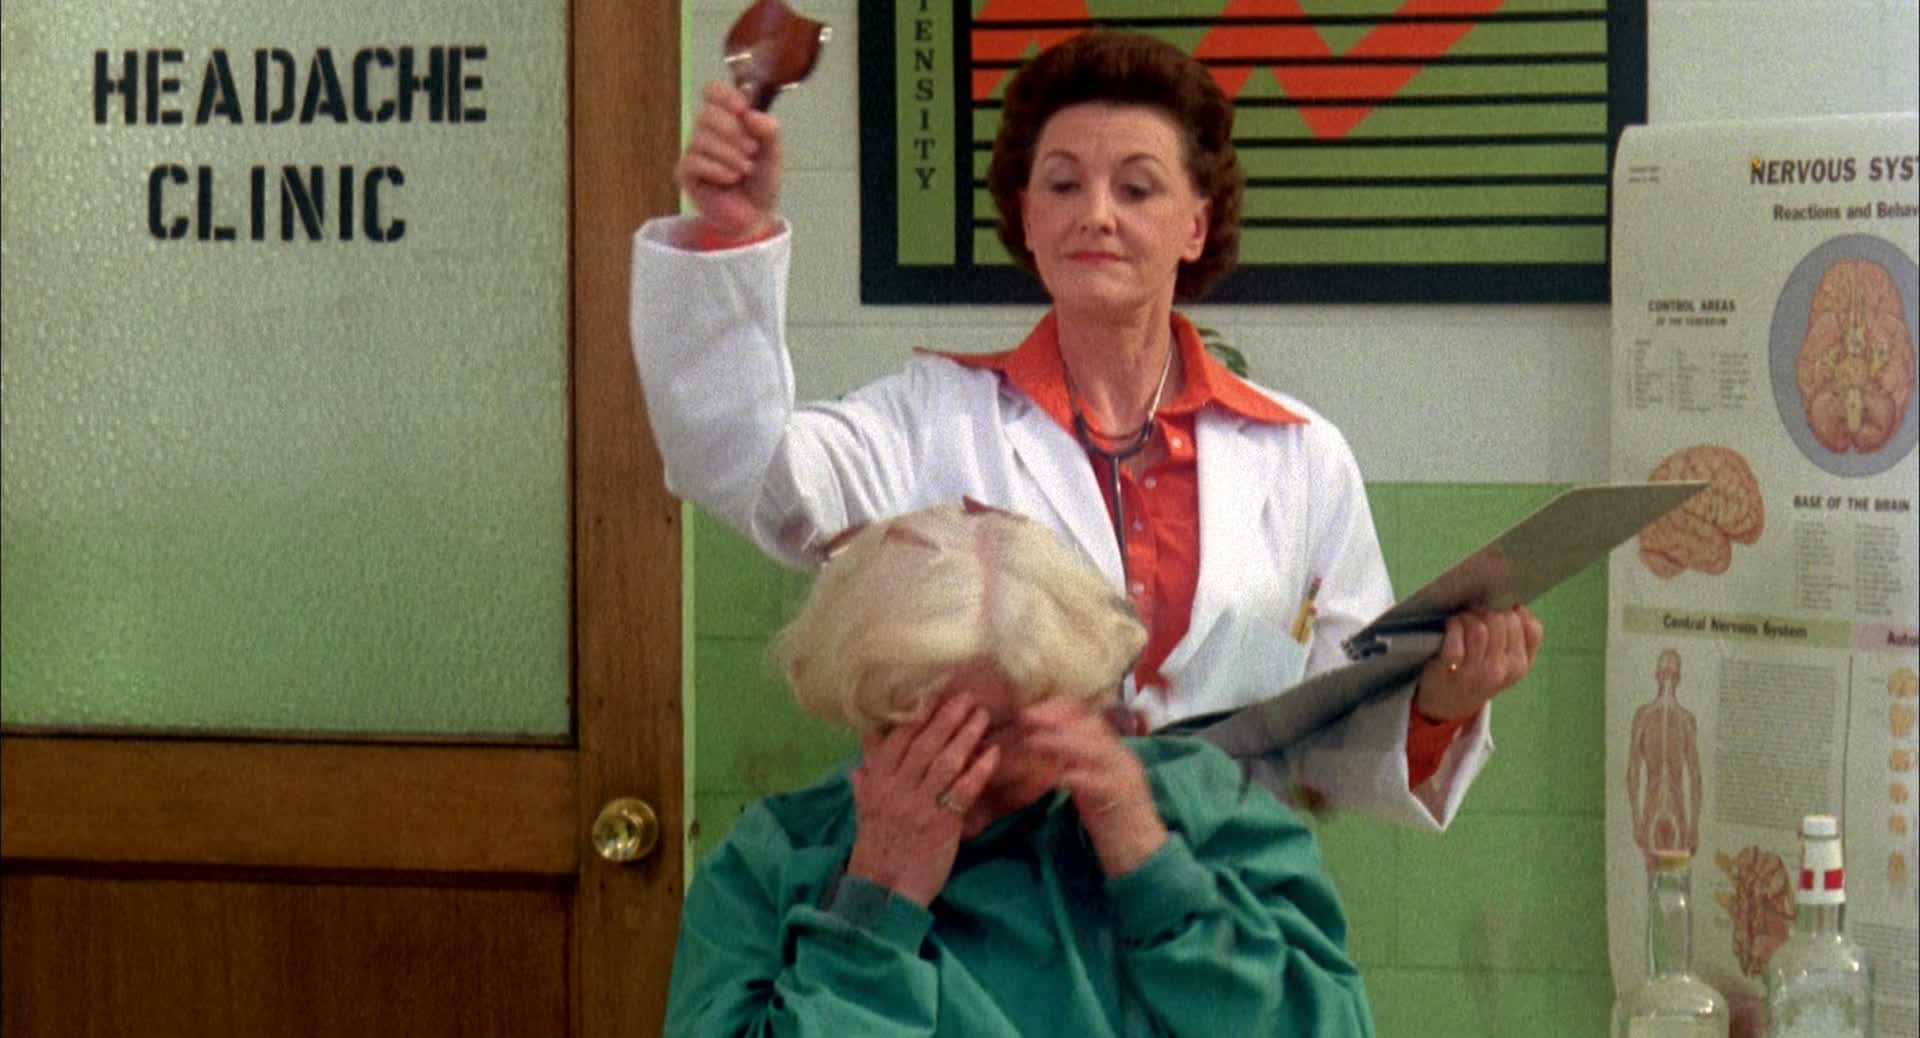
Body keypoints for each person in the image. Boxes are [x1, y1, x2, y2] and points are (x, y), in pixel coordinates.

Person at [631, 30, 1542, 828]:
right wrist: (730, 235)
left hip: (1218, 902)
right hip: (999, 904)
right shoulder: (932, 418)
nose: (1095, 214)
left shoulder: (1301, 457)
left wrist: (1442, 700)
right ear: (1028, 217)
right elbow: (748, 473)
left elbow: (1330, 737)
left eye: (1136, 188)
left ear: (1196, 224)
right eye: (1063, 184)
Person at [663, 501, 1375, 1036]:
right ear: (858, 714)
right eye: (918, 744)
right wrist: (871, 910)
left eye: (999, 738)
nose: (959, 788)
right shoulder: (777, 859)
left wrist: (1153, 872)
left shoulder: (1200, 809)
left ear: (1077, 697)